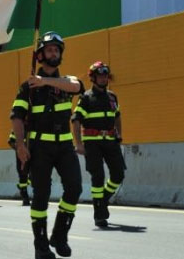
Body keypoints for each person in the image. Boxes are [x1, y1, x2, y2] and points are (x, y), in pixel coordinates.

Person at [11, 32, 83, 259]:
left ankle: (59, 236)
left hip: (64, 147)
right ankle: (40, 246)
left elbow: (78, 86)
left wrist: (46, 81)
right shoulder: (28, 87)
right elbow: (17, 117)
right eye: (50, 50)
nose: (54, 53)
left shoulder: (65, 82)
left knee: (74, 189)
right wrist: (21, 146)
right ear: (40, 55)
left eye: (57, 50)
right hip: (40, 147)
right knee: (41, 195)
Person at [72, 61, 125, 228]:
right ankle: (99, 213)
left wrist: (119, 134)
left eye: (105, 75)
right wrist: (78, 144)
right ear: (93, 78)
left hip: (110, 141)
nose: (103, 78)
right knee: (98, 177)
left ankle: (102, 200)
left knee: (118, 175)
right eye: (100, 76)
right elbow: (75, 121)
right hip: (92, 143)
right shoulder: (86, 98)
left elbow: (117, 116)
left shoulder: (112, 97)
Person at [8, 131, 31, 206]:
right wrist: (19, 149)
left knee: (34, 175)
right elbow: (11, 142)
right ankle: (25, 197)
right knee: (23, 176)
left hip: (33, 156)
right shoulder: (18, 129)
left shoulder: (34, 127)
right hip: (21, 158)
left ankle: (21, 187)